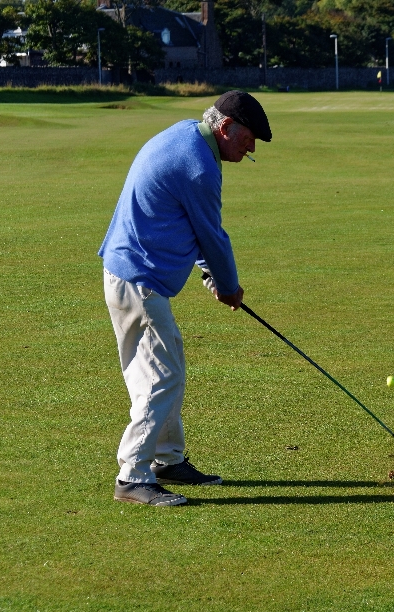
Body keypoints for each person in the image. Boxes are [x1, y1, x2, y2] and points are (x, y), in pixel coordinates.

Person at [98, 91, 272, 506]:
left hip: (131, 273)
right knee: (161, 376)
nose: (251, 149)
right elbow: (212, 235)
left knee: (169, 361)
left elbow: (184, 224)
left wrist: (210, 272)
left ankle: (167, 460)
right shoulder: (199, 167)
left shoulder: (185, 136)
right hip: (139, 280)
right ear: (226, 127)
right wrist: (228, 285)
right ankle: (132, 476)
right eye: (248, 139)